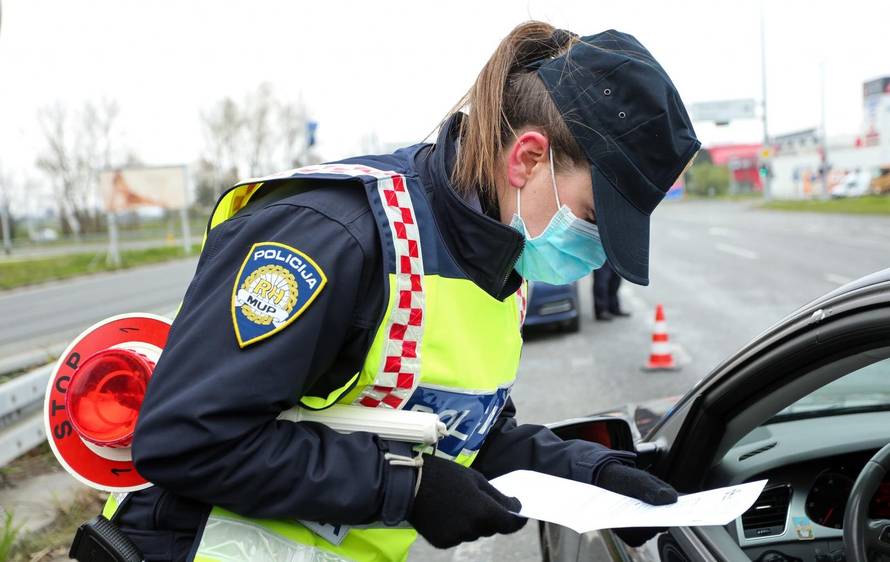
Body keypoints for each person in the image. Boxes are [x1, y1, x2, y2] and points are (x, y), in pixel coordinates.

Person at [93, 22, 699, 562]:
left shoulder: (500, 274)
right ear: (528, 159)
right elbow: (186, 438)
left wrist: (591, 471)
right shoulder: (332, 235)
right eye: (592, 216)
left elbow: (468, 436)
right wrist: (403, 488)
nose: (597, 251)